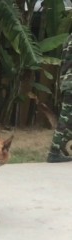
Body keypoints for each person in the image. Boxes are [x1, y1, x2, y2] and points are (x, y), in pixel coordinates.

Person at [47, 34, 72, 163]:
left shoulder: (69, 38)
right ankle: (54, 152)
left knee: (69, 120)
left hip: (67, 82)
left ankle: (60, 146)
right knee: (65, 120)